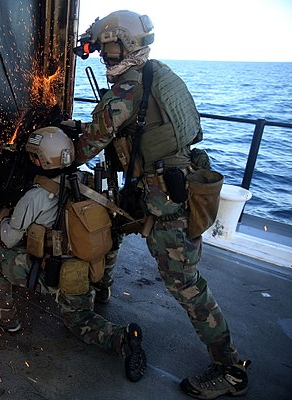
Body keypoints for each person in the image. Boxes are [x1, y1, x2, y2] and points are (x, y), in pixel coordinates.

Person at [68, 10, 250, 399]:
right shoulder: (156, 72)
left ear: (127, 44)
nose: (104, 56)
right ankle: (103, 294)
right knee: (113, 231)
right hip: (155, 187)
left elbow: (90, 144)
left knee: (184, 284)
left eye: (110, 48)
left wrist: (61, 145)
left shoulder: (128, 88)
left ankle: (230, 368)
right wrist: (89, 39)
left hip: (166, 198)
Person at [0, 126, 147, 382]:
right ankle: (103, 290)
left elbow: (9, 239)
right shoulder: (88, 182)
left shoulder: (35, 197)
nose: (32, 161)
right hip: (93, 267)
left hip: (63, 275)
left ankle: (6, 319)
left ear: (42, 160)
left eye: (34, 156)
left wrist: (4, 217)